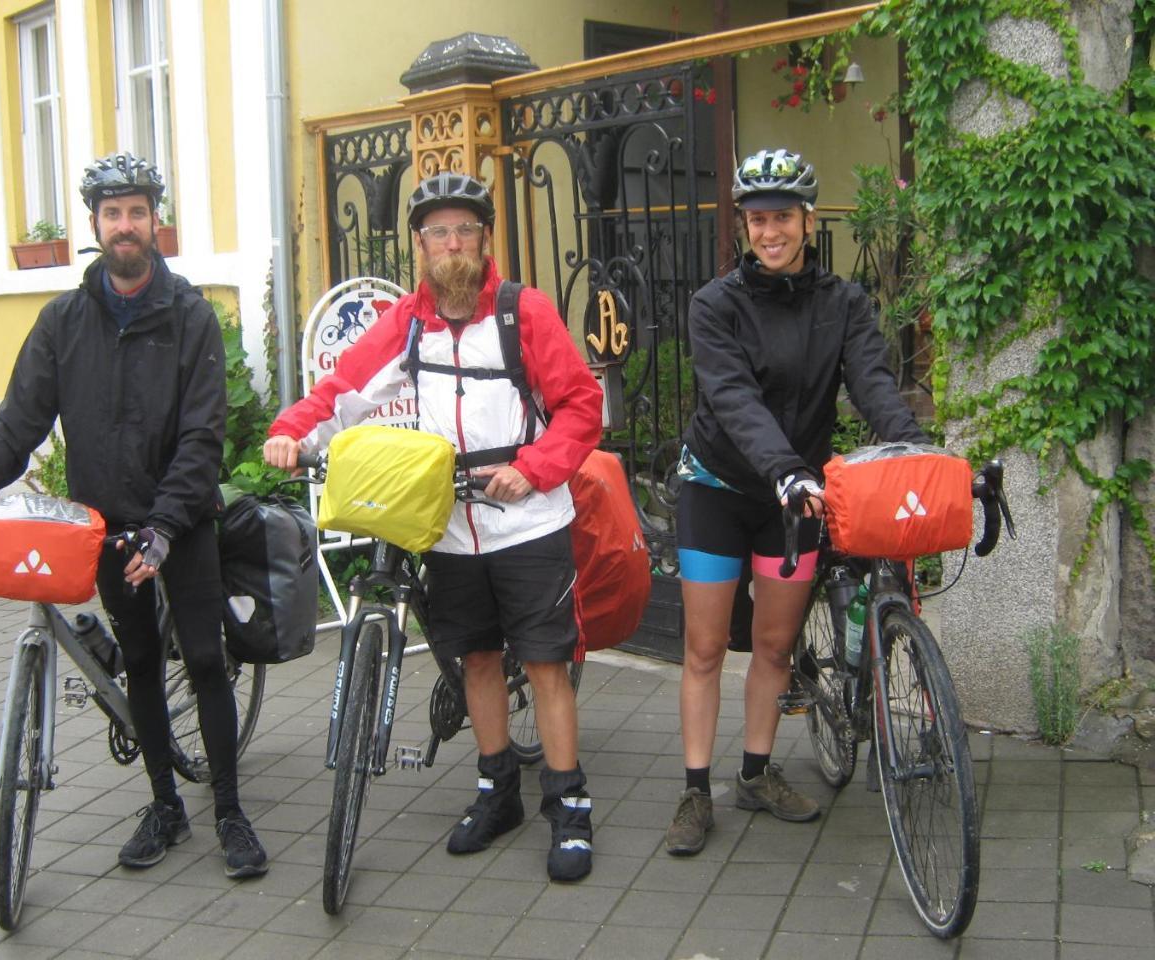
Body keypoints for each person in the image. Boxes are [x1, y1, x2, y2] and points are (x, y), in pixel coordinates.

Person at [0, 152, 268, 879]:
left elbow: (205, 435)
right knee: (140, 660)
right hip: (105, 525)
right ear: (94, 226)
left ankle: (230, 812)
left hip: (181, 522)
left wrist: (169, 526)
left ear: (155, 223)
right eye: (112, 214)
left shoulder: (193, 316)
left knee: (204, 660)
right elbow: (17, 424)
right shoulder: (63, 323)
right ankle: (165, 806)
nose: (125, 226)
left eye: (137, 212)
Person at [264, 173, 603, 882]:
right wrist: (292, 429)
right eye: (439, 233)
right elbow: (344, 389)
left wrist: (535, 468)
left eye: (465, 232)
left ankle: (568, 806)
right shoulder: (409, 321)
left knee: (544, 664)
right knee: (476, 657)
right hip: (448, 524)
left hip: (527, 518)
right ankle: (496, 789)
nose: (453, 245)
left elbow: (580, 406)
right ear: (419, 245)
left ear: (484, 241)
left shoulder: (523, 312)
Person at [664, 148, 928, 856]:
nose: (769, 231)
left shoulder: (842, 303)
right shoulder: (714, 305)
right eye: (756, 219)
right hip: (718, 488)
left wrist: (913, 447)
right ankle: (696, 790)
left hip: (795, 497)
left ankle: (754, 772)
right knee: (706, 645)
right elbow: (732, 397)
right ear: (744, 226)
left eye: (782, 217)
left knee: (777, 644)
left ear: (808, 221)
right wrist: (784, 467)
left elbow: (871, 382)